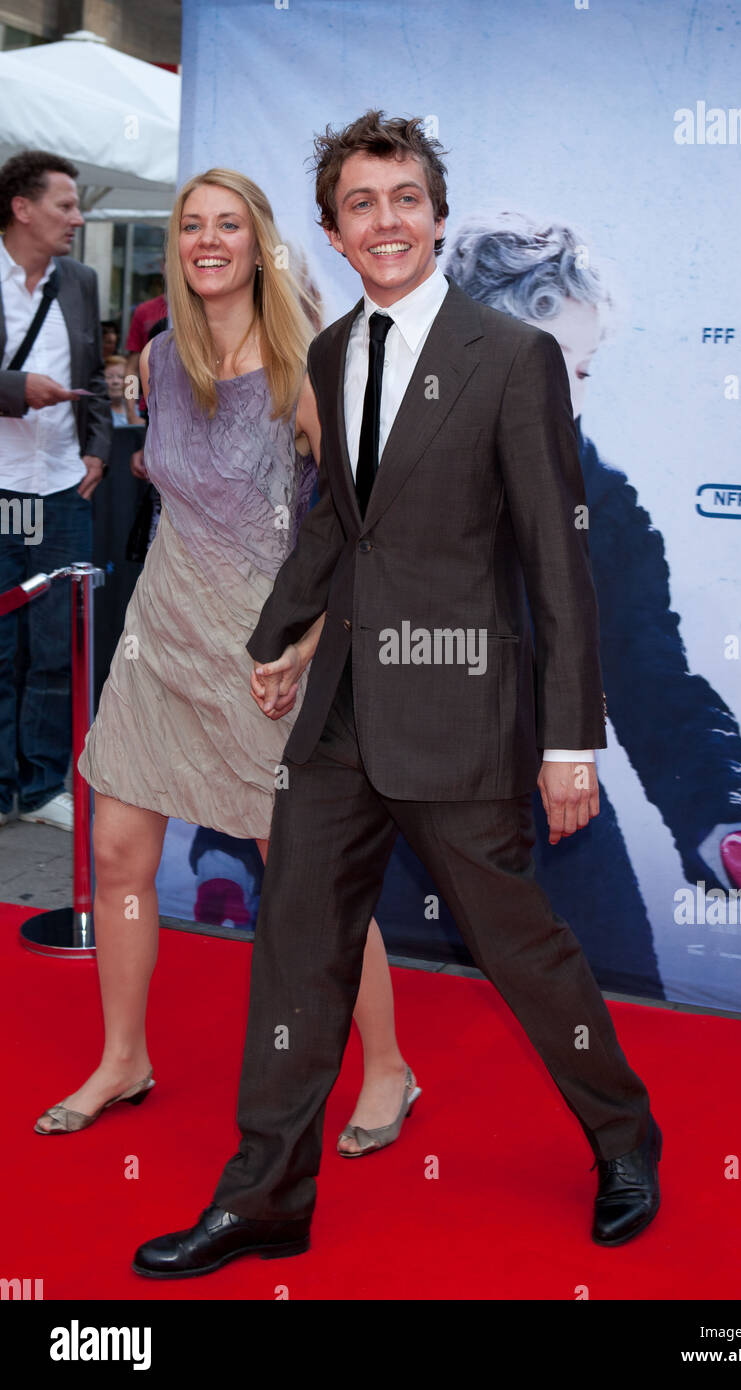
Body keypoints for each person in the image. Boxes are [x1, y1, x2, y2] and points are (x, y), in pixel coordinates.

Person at [133, 111, 662, 1279]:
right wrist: (278, 634)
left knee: (520, 950)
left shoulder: (509, 357)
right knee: (293, 951)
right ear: (330, 230)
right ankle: (264, 1192)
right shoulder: (328, 356)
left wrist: (570, 739)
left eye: (404, 198)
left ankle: (624, 1135)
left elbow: (555, 561)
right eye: (361, 204)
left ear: (435, 215)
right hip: (337, 717)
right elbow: (339, 521)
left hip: (461, 715)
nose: (385, 221)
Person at [34, 168, 417, 1158]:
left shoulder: (307, 367)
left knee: (309, 877)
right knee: (117, 851)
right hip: (160, 635)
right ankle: (125, 1057)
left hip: (265, 655)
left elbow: (363, 524)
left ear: (258, 244)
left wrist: (306, 642)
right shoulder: (161, 357)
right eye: (192, 224)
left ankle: (386, 1067)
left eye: (227, 224)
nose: (208, 238)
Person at [445, 212, 741, 968]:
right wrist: (231, 847)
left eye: (583, 367)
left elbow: (654, 682)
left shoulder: (606, 505)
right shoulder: (376, 479)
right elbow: (310, 677)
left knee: (614, 1043)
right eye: (545, 359)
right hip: (403, 852)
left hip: (560, 841)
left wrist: (730, 824)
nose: (568, 391)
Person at [0, 150, 111, 834]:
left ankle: (42, 787)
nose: (78, 217)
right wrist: (18, 391)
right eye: (65, 206)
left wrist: (98, 448)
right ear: (22, 207)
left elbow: (95, 377)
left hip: (64, 488)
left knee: (55, 647)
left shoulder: (80, 280)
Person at [104, 353, 137, 427]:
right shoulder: (97, 413)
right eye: (109, 377)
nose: (115, 381)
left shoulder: (139, 412)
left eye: (121, 377)